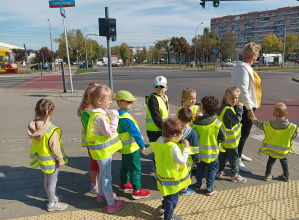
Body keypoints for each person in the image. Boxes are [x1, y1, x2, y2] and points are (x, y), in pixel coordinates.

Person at [85, 84, 125, 214]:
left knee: (102, 174)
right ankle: (111, 204)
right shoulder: (100, 117)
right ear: (100, 101)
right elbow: (109, 133)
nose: (111, 102)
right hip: (103, 153)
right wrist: (115, 118)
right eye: (109, 99)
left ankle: (101, 195)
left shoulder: (95, 113)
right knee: (107, 177)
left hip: (99, 152)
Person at [142, 118, 191, 220]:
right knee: (172, 198)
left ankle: (164, 208)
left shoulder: (159, 141)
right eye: (181, 134)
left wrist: (142, 148)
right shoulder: (173, 147)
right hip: (171, 178)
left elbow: (146, 151)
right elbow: (182, 161)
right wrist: (186, 148)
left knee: (166, 194)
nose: (182, 136)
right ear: (174, 135)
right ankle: (168, 216)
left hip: (161, 175)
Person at [27, 98, 68, 212]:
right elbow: (56, 148)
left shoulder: (33, 127)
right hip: (51, 161)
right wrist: (60, 160)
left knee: (46, 181)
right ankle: (52, 203)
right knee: (52, 182)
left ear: (36, 112)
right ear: (51, 112)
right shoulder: (51, 130)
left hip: (41, 159)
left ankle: (52, 197)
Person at [231, 42, 262, 173]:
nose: (257, 58)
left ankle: (239, 152)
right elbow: (242, 90)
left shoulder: (246, 68)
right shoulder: (242, 68)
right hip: (243, 106)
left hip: (247, 105)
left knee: (243, 133)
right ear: (253, 55)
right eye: (257, 55)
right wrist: (249, 109)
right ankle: (237, 160)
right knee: (243, 133)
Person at [115, 90, 151, 199]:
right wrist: (142, 147)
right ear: (120, 102)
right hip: (132, 148)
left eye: (132, 101)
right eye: (129, 101)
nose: (132, 103)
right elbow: (136, 134)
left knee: (125, 167)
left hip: (124, 148)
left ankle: (124, 184)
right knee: (135, 169)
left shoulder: (117, 115)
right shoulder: (126, 119)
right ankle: (137, 190)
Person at [252, 102, 299, 182]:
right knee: (284, 161)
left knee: (271, 161)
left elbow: (259, 125)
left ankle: (267, 175)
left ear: (273, 114)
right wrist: (297, 130)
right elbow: (294, 136)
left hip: (271, 149)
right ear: (286, 114)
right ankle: (286, 176)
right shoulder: (291, 127)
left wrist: (253, 119)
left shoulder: (268, 124)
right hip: (283, 150)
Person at [193, 96, 225, 195]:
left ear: (203, 109)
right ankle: (209, 187)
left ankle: (198, 184)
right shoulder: (218, 123)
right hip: (213, 154)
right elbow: (223, 137)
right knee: (212, 170)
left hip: (200, 154)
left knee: (200, 168)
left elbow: (192, 136)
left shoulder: (196, 123)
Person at [216, 87, 247, 183]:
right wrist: (240, 108)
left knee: (223, 156)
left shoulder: (222, 107)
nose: (235, 100)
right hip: (231, 140)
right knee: (234, 158)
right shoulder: (228, 109)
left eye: (236, 98)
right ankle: (235, 175)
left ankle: (219, 171)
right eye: (232, 98)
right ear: (226, 98)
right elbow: (237, 119)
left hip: (224, 138)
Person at [77, 82, 100, 194]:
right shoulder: (88, 111)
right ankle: (94, 185)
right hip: (93, 143)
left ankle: (97, 182)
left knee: (97, 163)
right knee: (95, 164)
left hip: (93, 142)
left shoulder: (90, 109)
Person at [177, 107, 199, 196]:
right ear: (191, 119)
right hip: (187, 160)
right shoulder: (193, 133)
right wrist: (197, 158)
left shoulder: (174, 129)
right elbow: (195, 148)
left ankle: (176, 185)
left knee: (176, 171)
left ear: (178, 118)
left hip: (175, 157)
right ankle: (184, 190)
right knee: (186, 175)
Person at [146, 76, 169, 143]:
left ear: (166, 88)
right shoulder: (153, 99)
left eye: (161, 86)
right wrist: (164, 128)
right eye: (156, 86)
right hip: (154, 131)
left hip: (161, 128)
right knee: (157, 150)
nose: (159, 89)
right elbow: (156, 115)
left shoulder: (165, 97)